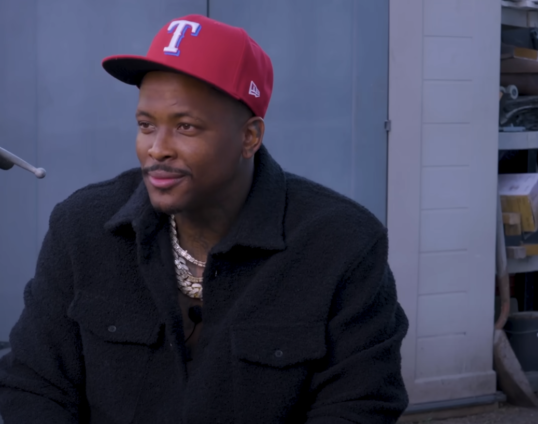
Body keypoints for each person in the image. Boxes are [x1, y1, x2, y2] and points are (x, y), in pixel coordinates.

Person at [0, 14, 408, 424]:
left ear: (249, 136)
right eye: (146, 125)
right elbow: (34, 385)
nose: (157, 148)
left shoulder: (342, 244)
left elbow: (359, 405)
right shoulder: (82, 227)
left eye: (186, 127)